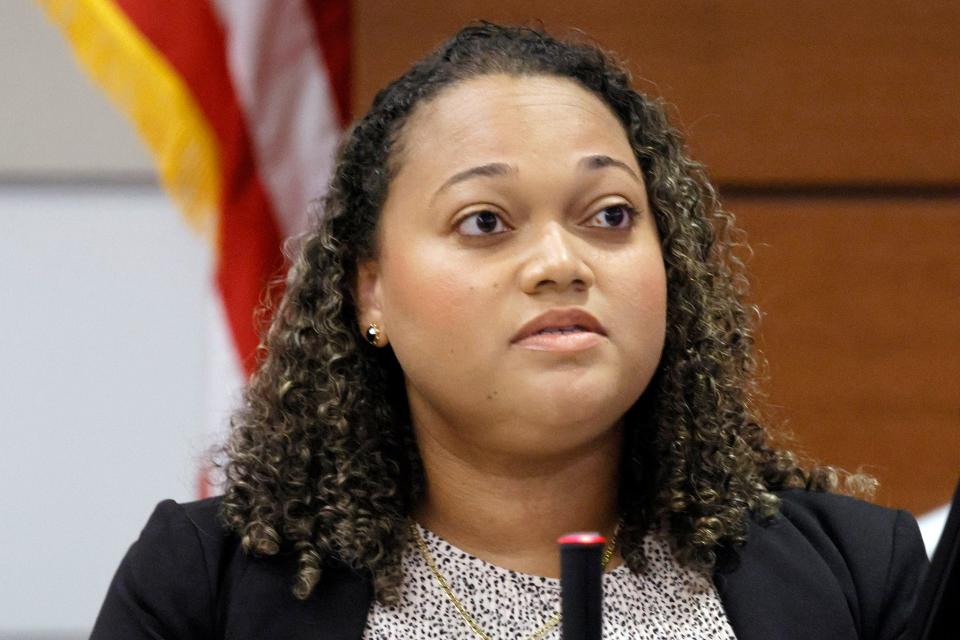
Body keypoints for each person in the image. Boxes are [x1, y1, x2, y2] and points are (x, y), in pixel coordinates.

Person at [90, 21, 927, 639]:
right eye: (486, 222)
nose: (560, 262)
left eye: (609, 215)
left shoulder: (859, 573)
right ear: (369, 292)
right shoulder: (206, 586)